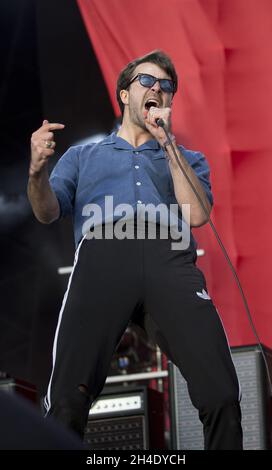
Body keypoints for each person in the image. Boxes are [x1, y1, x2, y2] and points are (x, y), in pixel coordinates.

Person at [27, 50, 243, 449]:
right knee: (66, 400)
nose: (157, 90)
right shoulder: (83, 155)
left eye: (166, 87)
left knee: (222, 393)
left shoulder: (187, 158)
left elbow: (196, 215)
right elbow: (46, 211)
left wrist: (169, 145)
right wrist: (37, 172)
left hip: (170, 260)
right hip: (103, 258)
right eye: (147, 82)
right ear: (124, 94)